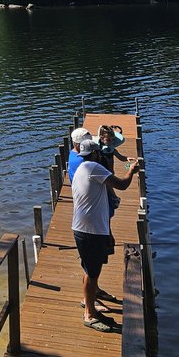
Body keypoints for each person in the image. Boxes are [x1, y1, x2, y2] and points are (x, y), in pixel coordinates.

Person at [72, 137, 140, 333]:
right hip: (91, 230)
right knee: (92, 274)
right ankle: (90, 314)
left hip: (84, 228)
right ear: (95, 154)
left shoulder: (81, 170)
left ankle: (89, 303)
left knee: (90, 270)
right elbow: (122, 185)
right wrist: (132, 170)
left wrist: (107, 230)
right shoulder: (94, 167)